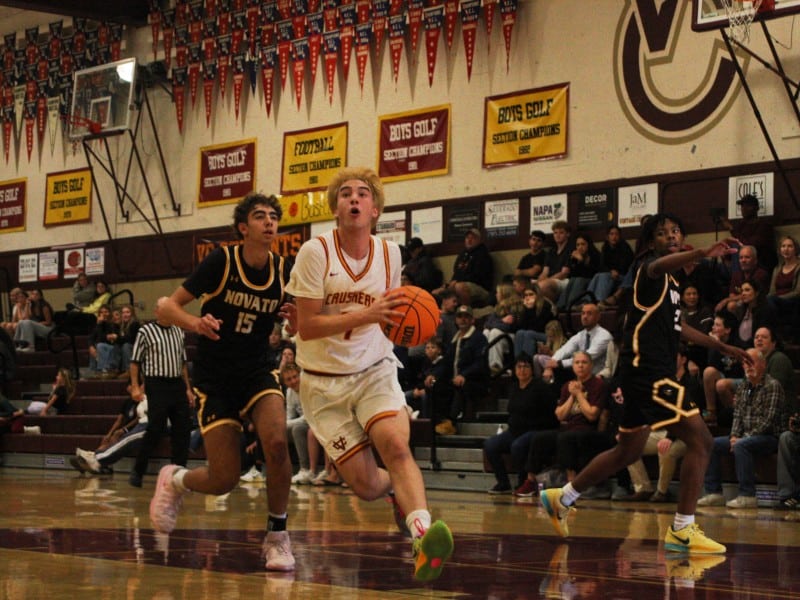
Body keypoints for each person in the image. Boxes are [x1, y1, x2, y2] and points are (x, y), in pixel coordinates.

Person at [539, 212, 751, 555]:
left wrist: (722, 345)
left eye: (675, 230)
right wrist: (700, 253)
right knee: (702, 441)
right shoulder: (648, 268)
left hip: (639, 375)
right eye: (662, 232)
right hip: (651, 375)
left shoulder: (673, 285)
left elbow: (680, 328)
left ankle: (562, 497)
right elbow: (656, 268)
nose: (670, 235)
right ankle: (682, 530)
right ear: (652, 242)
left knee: (628, 450)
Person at [286, 167, 453, 582]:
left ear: (375, 209)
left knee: (396, 446)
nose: (354, 199)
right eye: (345, 194)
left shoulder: (390, 254)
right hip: (323, 382)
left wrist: (404, 321)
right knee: (364, 485)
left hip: (374, 368)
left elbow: (392, 318)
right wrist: (365, 313)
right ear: (335, 207)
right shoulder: (314, 252)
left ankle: (422, 535)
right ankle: (397, 492)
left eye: (363, 193)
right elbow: (306, 327)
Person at [148, 191, 297, 572]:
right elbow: (165, 308)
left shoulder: (285, 270)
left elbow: (303, 317)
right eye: (260, 216)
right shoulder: (221, 261)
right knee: (224, 479)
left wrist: (297, 320)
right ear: (243, 228)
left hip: (256, 371)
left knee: (278, 443)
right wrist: (196, 323)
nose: (269, 222)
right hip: (214, 378)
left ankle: (277, 536)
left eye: (273, 217)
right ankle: (175, 479)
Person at [697, 347, 785, 509]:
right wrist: (733, 436)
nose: (748, 366)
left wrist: (742, 439)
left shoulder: (773, 385)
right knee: (711, 443)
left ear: (763, 365)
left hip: (769, 437)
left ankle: (747, 495)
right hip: (745, 436)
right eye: (745, 362)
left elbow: (768, 421)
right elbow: (737, 416)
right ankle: (714, 493)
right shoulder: (744, 386)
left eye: (752, 362)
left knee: (741, 445)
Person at [515, 351, 608, 497]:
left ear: (591, 365)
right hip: (569, 428)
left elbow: (592, 415)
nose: (580, 366)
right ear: (573, 366)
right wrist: (572, 395)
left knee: (566, 438)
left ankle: (572, 484)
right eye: (577, 363)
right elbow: (560, 415)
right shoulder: (567, 386)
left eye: (584, 362)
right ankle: (531, 481)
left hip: (589, 429)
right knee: (540, 438)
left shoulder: (598, 385)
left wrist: (578, 394)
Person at [128, 316, 193, 489]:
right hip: (156, 383)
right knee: (156, 427)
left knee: (183, 428)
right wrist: (135, 386)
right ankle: (138, 469)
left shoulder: (179, 330)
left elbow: (183, 363)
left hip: (176, 383)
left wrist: (187, 388)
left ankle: (178, 472)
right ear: (159, 311)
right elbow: (135, 362)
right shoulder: (145, 331)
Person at [484, 353, 559, 494]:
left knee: (517, 445)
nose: (522, 370)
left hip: (536, 430)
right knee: (490, 444)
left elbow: (552, 413)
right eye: (519, 366)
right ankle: (503, 483)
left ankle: (523, 482)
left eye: (526, 366)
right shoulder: (513, 388)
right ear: (514, 369)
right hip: (514, 431)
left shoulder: (540, 387)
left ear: (532, 369)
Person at [70, 381, 148, 475]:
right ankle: (96, 459)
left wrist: (123, 429)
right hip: (136, 426)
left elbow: (137, 419)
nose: (141, 386)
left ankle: (96, 460)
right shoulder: (129, 401)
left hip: (135, 427)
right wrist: (109, 433)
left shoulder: (144, 400)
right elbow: (119, 420)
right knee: (108, 438)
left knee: (119, 436)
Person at [437, 304, 489, 435]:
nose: (463, 319)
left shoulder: (479, 338)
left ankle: (451, 423)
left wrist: (464, 375)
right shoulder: (455, 340)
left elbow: (480, 363)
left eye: (466, 317)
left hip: (475, 381)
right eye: (460, 316)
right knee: (436, 386)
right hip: (455, 379)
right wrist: (433, 375)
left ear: (472, 320)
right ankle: (435, 422)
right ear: (456, 320)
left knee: (460, 386)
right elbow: (446, 363)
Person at [533, 303, 613, 383]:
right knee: (542, 362)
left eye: (589, 313)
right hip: (580, 374)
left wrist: (559, 364)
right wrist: (550, 364)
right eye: (583, 313)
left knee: (560, 370)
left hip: (598, 377)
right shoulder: (581, 334)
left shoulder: (604, 336)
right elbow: (564, 350)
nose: (585, 317)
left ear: (598, 317)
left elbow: (586, 358)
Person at [701, 311, 744, 426]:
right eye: (713, 324)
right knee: (708, 372)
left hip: (740, 381)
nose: (713, 328)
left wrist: (717, 343)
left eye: (717, 325)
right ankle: (711, 412)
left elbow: (736, 371)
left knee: (721, 384)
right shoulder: (714, 342)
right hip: (722, 379)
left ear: (727, 330)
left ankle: (736, 418)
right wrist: (716, 344)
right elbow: (712, 364)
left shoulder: (738, 345)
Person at [282, 362, 321, 485]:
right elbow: (290, 414)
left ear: (300, 375)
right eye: (289, 379)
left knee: (297, 429)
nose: (293, 381)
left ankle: (305, 469)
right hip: (301, 421)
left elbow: (307, 417)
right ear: (285, 382)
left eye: (295, 377)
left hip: (315, 420)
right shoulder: (289, 392)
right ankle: (279, 470)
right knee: (275, 432)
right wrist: (282, 426)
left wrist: (285, 424)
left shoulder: (308, 387)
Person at [434, 228, 494, 306]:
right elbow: (456, 273)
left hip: (480, 287)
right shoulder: (462, 255)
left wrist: (456, 283)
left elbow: (477, 276)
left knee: (459, 287)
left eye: (472, 238)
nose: (469, 240)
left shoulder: (483, 255)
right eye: (467, 238)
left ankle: (465, 312)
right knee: (436, 292)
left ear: (479, 240)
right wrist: (448, 285)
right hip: (459, 283)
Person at [719, 193, 777, 273]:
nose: (743, 209)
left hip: (759, 264)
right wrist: (725, 253)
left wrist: (731, 228)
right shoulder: (741, 225)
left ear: (756, 208)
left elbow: (750, 245)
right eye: (742, 206)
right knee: (707, 264)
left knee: (738, 247)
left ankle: (737, 280)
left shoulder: (765, 226)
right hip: (739, 263)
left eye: (747, 206)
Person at [714, 245, 770, 314]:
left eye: (747, 257)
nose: (743, 260)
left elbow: (751, 295)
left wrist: (726, 300)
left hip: (757, 303)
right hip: (741, 303)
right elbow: (732, 294)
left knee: (731, 305)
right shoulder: (736, 275)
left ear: (755, 260)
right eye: (741, 258)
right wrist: (731, 299)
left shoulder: (761, 274)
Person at [482, 283, 524, 375]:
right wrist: (501, 321)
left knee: (495, 332)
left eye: (498, 292)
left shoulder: (515, 307)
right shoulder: (498, 307)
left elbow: (508, 327)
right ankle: (483, 364)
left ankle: (496, 366)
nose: (496, 295)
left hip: (513, 338)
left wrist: (497, 323)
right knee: (486, 332)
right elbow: (486, 324)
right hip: (501, 336)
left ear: (504, 294)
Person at [588, 225, 634, 303]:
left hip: (623, 277)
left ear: (620, 236)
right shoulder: (605, 247)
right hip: (610, 274)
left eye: (616, 234)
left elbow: (625, 267)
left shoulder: (625, 247)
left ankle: (600, 300)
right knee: (597, 275)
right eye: (611, 234)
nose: (614, 237)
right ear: (607, 237)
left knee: (604, 276)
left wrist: (613, 272)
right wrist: (610, 271)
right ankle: (587, 301)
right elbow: (601, 265)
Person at [767, 235, 800, 343]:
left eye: (790, 246)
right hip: (776, 301)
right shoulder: (777, 269)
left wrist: (779, 299)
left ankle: (779, 336)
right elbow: (772, 291)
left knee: (771, 301)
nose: (786, 249)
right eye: (783, 246)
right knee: (766, 301)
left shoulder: (798, 267)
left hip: (792, 301)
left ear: (796, 249)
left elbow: (797, 291)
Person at [558, 231, 601, 311]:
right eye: (578, 245)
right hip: (578, 281)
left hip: (592, 281)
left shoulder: (595, 255)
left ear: (588, 245)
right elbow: (573, 274)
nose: (580, 247)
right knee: (572, 280)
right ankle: (560, 306)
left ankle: (572, 305)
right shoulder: (575, 256)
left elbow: (592, 273)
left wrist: (582, 261)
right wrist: (573, 261)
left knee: (579, 280)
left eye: (583, 244)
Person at [513, 286, 556, 358]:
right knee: (519, 333)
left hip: (549, 335)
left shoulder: (545, 305)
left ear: (537, 295)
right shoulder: (525, 307)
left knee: (529, 334)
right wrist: (527, 310)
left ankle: (527, 363)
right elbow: (520, 327)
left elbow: (538, 327)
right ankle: (518, 363)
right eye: (526, 295)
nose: (528, 297)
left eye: (531, 294)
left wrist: (530, 310)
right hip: (532, 333)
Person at [537, 221, 574, 304]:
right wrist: (537, 282)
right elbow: (544, 272)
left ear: (567, 234)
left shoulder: (571, 249)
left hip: (565, 280)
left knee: (543, 286)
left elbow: (564, 273)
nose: (557, 235)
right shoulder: (551, 251)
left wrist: (546, 281)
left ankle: (554, 308)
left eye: (561, 232)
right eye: (555, 233)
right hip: (551, 280)